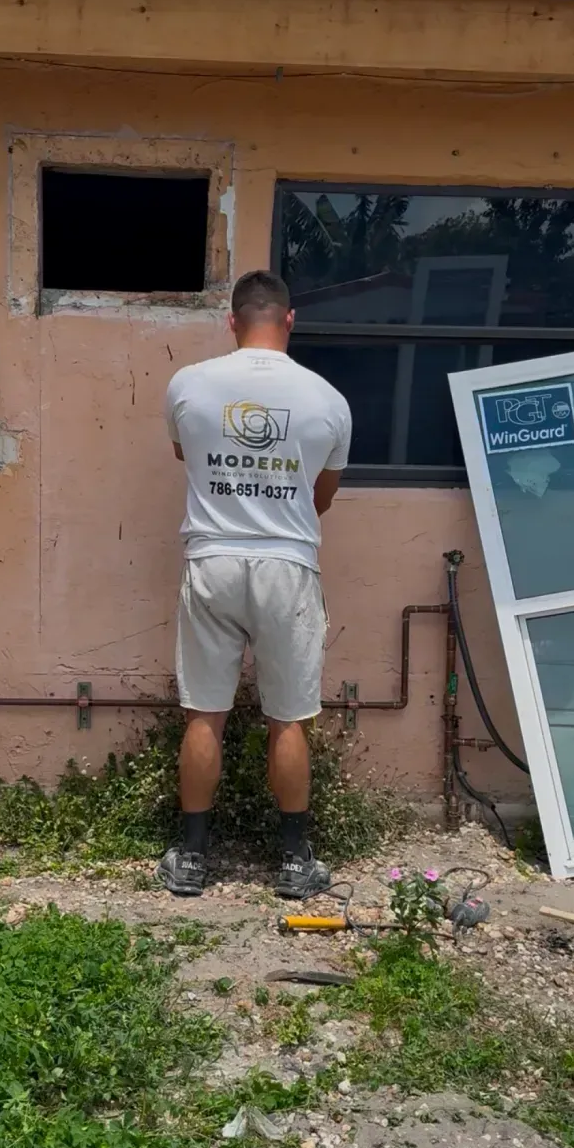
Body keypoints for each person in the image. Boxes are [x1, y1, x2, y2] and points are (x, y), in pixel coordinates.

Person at [158, 269, 352, 899]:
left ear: (232, 321)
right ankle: (294, 863)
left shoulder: (188, 386)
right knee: (288, 718)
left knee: (204, 716)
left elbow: (190, 458)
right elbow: (319, 498)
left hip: (211, 559)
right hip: (287, 566)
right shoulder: (328, 399)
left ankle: (191, 858)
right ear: (289, 320)